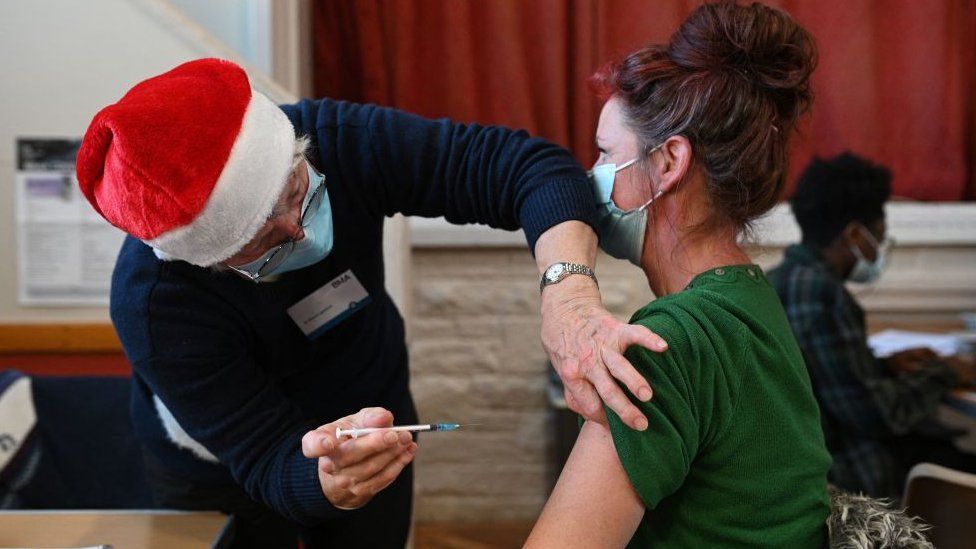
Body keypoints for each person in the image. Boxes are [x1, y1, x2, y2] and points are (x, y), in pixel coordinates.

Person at [75, 58, 669, 548]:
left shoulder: (336, 141)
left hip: (370, 405)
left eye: (296, 192)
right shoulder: (154, 307)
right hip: (215, 466)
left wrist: (569, 298)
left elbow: (528, 170)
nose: (301, 232)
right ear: (210, 262)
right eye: (263, 241)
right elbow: (264, 459)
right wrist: (324, 480)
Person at [525, 2, 831, 547]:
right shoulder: (751, 297)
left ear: (669, 163)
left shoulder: (665, 343)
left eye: (604, 154)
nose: (591, 178)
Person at [767, 152, 976, 499]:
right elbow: (877, 414)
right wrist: (945, 373)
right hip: (849, 481)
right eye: (877, 236)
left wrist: (883, 365)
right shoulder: (822, 296)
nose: (878, 248)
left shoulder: (781, 279)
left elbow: (823, 378)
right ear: (853, 235)